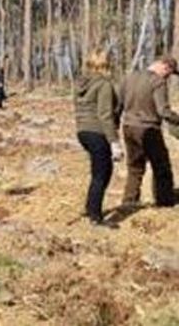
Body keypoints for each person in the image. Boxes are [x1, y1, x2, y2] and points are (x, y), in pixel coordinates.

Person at [119, 56, 179, 208]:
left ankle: (129, 202)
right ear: (165, 67)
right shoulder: (158, 82)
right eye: (169, 74)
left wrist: (115, 128)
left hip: (129, 128)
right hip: (149, 129)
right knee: (161, 167)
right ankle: (165, 204)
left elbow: (118, 105)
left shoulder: (129, 78)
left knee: (135, 167)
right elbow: (163, 111)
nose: (168, 77)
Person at [74, 50, 122, 227]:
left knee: (100, 170)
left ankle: (90, 206)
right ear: (106, 64)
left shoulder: (81, 84)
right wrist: (114, 141)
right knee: (102, 172)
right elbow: (105, 114)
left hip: (82, 131)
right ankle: (95, 217)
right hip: (97, 132)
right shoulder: (104, 85)